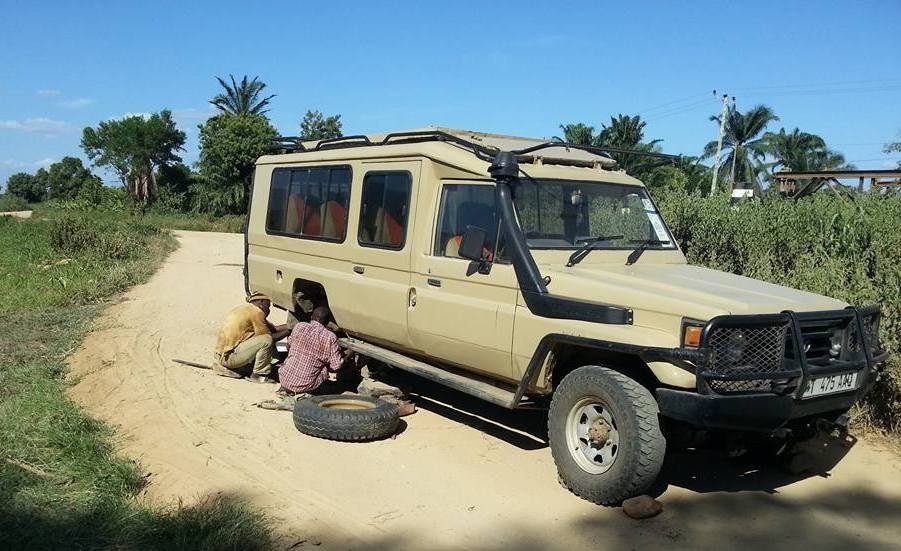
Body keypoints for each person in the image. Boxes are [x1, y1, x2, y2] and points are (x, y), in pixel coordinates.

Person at [213, 292, 290, 383]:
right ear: (261, 302)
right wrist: (290, 330)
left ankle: (240, 367)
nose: (269, 310)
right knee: (266, 340)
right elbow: (271, 337)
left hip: (221, 356)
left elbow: (273, 329)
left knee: (262, 339)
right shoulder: (257, 312)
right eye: (268, 306)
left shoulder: (246, 310)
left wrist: (290, 325)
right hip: (229, 358)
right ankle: (259, 375)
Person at [277, 306, 353, 395]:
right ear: (328, 322)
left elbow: (288, 346)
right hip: (304, 386)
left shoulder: (299, 326)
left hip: (283, 378)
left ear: (311, 317)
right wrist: (349, 354)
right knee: (324, 369)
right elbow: (336, 366)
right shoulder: (330, 337)